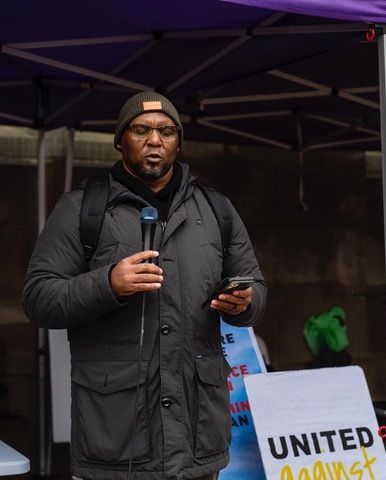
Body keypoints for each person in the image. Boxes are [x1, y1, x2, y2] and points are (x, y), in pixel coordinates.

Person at [23, 91, 267, 480]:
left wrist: (246, 302)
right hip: (118, 439)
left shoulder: (217, 209)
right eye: (141, 130)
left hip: (197, 438)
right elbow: (38, 298)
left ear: (179, 142)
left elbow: (256, 285)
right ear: (121, 140)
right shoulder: (81, 208)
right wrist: (109, 283)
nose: (155, 140)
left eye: (167, 131)